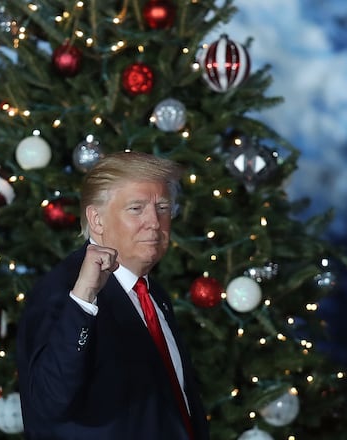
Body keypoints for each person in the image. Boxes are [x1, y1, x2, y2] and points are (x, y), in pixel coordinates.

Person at [16, 151, 209, 439]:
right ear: (97, 220)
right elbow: (47, 402)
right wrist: (82, 301)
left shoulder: (153, 293)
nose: (154, 222)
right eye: (136, 208)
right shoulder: (63, 293)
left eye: (162, 207)